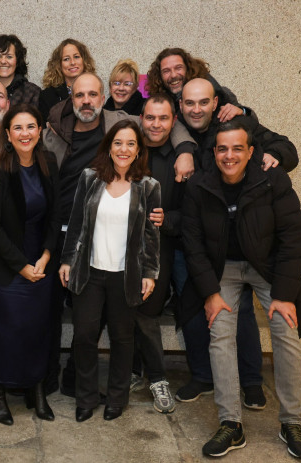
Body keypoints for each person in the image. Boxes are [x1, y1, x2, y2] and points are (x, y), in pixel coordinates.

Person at [43, 73, 194, 396]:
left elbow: (160, 121)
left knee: (125, 330)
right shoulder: (57, 132)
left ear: (102, 98)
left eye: (93, 94)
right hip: (74, 241)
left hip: (123, 261)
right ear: (72, 99)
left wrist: (184, 148)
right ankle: (75, 386)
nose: (86, 101)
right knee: (84, 328)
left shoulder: (122, 126)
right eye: (79, 95)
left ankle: (130, 389)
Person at [182, 120, 301, 459]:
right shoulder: (199, 186)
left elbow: (294, 237)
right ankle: (231, 424)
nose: (230, 155)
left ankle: (292, 421)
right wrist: (210, 293)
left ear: (251, 152)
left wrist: (284, 295)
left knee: (286, 327)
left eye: (237, 148)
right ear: (214, 153)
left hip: (266, 268)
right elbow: (193, 244)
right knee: (220, 331)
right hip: (222, 269)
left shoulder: (273, 180)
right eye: (222, 149)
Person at [175, 77, 300, 408]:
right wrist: (185, 151)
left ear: (215, 103)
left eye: (203, 102)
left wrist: (272, 156)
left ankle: (251, 380)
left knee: (244, 312)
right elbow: (192, 231)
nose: (196, 108)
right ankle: (206, 379)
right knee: (198, 305)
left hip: (252, 251)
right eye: (189, 103)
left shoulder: (237, 124)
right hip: (204, 244)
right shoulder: (178, 133)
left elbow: (286, 148)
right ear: (180, 106)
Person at [59, 119, 160, 422]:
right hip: (89, 272)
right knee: (85, 335)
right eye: (118, 143)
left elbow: (151, 235)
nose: (124, 149)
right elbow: (75, 223)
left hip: (125, 275)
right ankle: (86, 397)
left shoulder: (149, 187)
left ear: (139, 149)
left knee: (122, 338)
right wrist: (67, 260)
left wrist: (150, 273)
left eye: (131, 143)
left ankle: (117, 398)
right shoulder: (90, 178)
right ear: (109, 146)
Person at [0, 104, 60, 425]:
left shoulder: (49, 162)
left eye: (31, 127)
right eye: (18, 128)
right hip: (7, 265)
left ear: (40, 130)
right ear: (8, 134)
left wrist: (45, 256)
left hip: (42, 262)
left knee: (39, 330)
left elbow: (56, 216)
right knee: (10, 331)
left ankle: (36, 389)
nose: (25, 133)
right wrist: (21, 266)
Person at [130, 93, 186, 414]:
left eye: (163, 118)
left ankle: (157, 377)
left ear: (173, 121)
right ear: (142, 119)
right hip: (120, 250)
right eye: (150, 117)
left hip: (159, 248)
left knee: (147, 311)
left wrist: (169, 220)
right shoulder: (126, 150)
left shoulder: (180, 159)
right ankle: (136, 371)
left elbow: (190, 213)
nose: (156, 124)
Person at [146, 48, 249, 123]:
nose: (173, 75)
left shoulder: (216, 91)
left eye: (178, 68)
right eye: (166, 71)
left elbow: (252, 123)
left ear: (188, 69)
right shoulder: (159, 103)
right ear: (159, 76)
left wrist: (242, 111)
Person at [38, 39, 96, 122]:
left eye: (76, 57)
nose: (72, 62)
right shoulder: (47, 96)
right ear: (59, 65)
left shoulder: (95, 89)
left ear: (84, 60)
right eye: (66, 59)